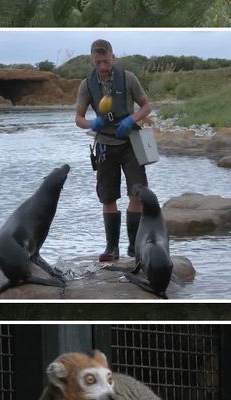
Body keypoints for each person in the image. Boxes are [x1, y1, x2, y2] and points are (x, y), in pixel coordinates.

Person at [75, 39, 153, 261]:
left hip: (130, 142)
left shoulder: (128, 78)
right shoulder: (86, 85)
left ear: (113, 57)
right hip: (104, 146)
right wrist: (91, 124)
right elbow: (78, 118)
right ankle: (112, 249)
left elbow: (146, 106)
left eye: (106, 61)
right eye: (98, 62)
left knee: (136, 193)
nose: (102, 67)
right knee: (108, 197)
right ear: (92, 60)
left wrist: (132, 119)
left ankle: (134, 246)